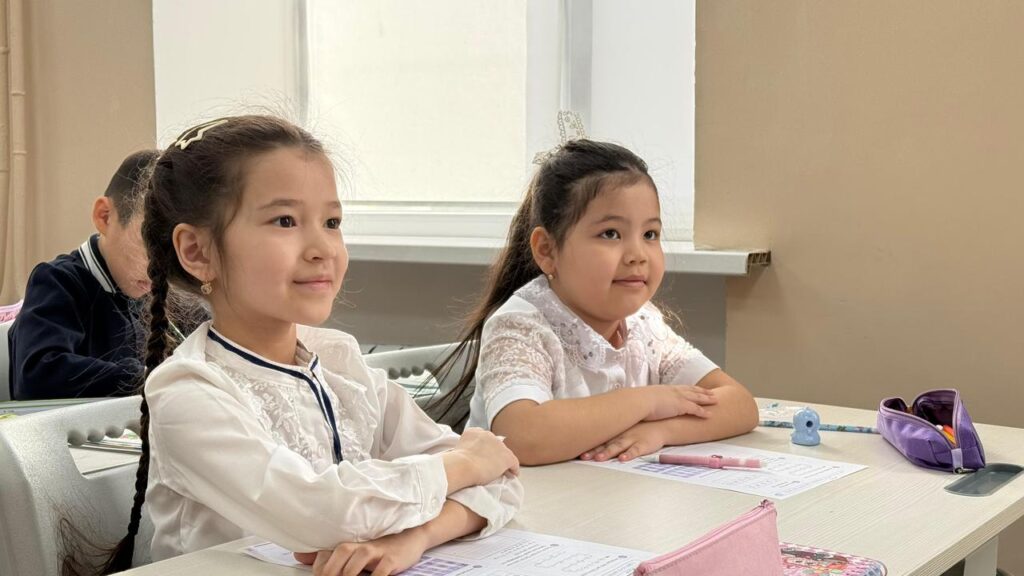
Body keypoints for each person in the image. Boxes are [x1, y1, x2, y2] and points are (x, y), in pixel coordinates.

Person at [97, 116, 521, 576]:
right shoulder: (188, 389)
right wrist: (465, 463)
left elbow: (501, 478)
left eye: (332, 222)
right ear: (197, 251)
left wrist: (415, 537)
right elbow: (322, 512)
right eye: (285, 221)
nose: (323, 248)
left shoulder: (340, 361)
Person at [434, 139, 759, 466]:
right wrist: (647, 402)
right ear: (547, 250)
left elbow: (740, 405)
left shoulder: (645, 326)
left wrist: (661, 431)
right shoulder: (520, 327)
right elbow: (522, 436)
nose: (637, 255)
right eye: (610, 234)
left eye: (650, 234)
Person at [8, 150, 158, 400]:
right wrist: (150, 378)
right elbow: (37, 375)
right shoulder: (57, 282)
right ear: (105, 216)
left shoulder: (153, 293)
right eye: (150, 243)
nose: (159, 270)